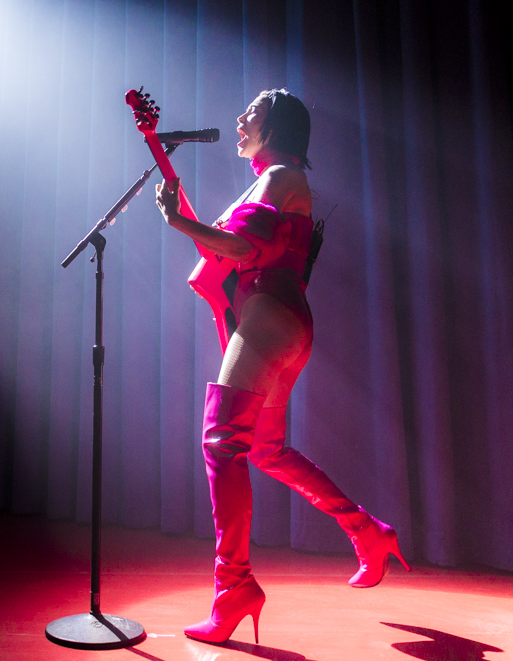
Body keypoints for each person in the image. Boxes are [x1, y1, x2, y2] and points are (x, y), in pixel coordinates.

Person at [155, 89, 410, 645]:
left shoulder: (282, 178)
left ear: (277, 127)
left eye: (252, 112)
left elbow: (240, 249)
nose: (240, 118)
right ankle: (367, 530)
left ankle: (235, 587)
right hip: (282, 319)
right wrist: (170, 183)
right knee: (264, 449)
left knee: (223, 442)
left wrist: (177, 221)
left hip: (270, 313)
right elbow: (222, 254)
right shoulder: (272, 180)